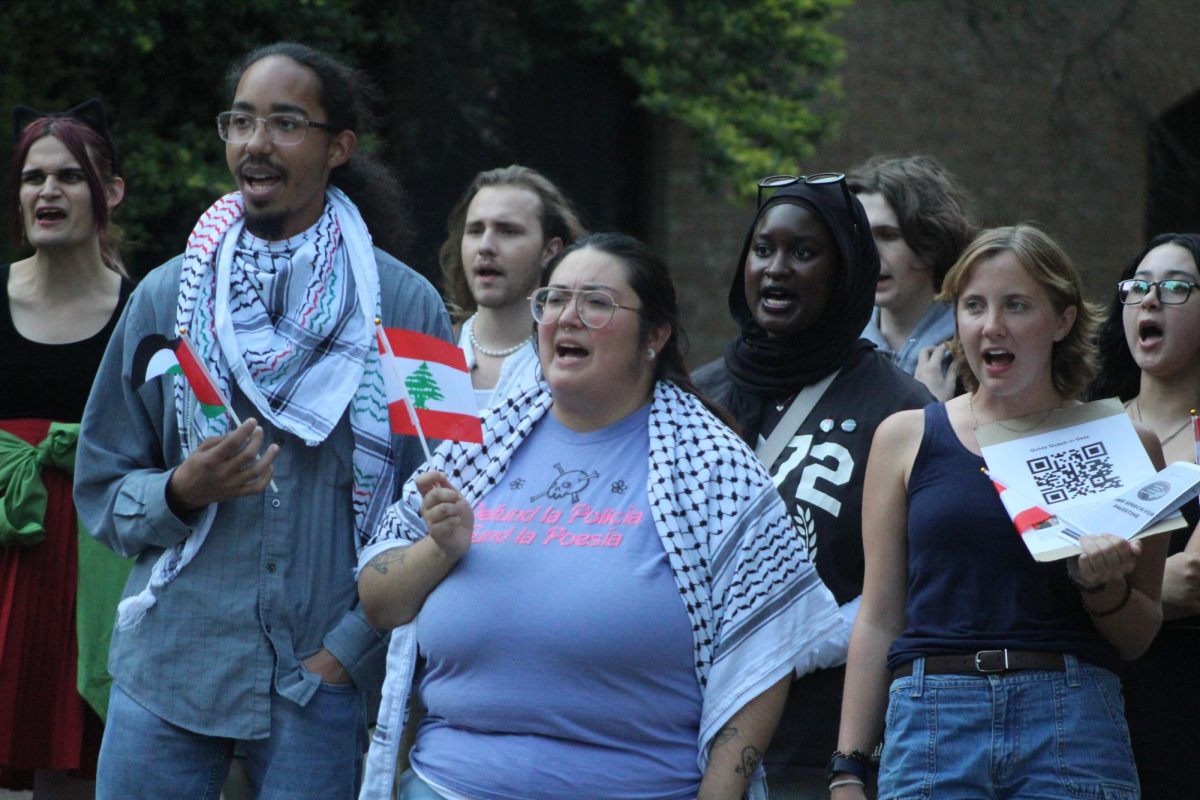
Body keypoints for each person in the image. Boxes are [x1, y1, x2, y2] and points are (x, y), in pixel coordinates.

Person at [73, 43, 451, 799]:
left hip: (324, 681)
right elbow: (101, 485)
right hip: (171, 666)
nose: (255, 143)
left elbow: (442, 505)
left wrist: (349, 651)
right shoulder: (167, 299)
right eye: (240, 121)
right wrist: (179, 490)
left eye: (284, 123)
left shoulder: (408, 310)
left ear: (338, 147)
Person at [356, 232, 846, 800]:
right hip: (447, 785)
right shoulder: (479, 446)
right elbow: (378, 601)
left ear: (654, 336)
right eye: (554, 299)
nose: (567, 317)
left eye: (596, 303)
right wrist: (437, 548)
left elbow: (763, 656)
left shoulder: (714, 467)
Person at [834, 225, 1168, 800]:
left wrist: (1101, 586)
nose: (992, 326)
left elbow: (1137, 635)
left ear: (1062, 321)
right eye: (974, 306)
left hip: (1072, 716)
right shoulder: (906, 436)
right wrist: (848, 767)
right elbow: (879, 615)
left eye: (1017, 305)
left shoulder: (1126, 443)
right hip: (932, 716)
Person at [693, 174, 932, 797]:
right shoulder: (694, 396)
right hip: (684, 740)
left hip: (819, 756)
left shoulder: (900, 408)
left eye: (804, 253)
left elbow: (913, 586)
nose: (777, 269)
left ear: (847, 269)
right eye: (763, 249)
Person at [0, 101, 131, 798]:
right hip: (3, 544)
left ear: (109, 192)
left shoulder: (143, 311)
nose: (47, 192)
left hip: (97, 563)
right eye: (31, 178)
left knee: (77, 773)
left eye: (69, 178)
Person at [1091, 233, 1200, 798]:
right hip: (1078, 704)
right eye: (1138, 286)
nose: (1151, 300)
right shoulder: (1083, 422)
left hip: (1177, 705)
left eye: (1177, 287)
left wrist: (1078, 588)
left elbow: (1190, 580)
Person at [440, 164, 586, 407]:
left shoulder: (573, 362)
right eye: (475, 230)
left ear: (550, 251)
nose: (485, 246)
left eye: (508, 231)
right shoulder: (431, 352)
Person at [848, 155, 977, 401]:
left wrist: (937, 419)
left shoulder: (982, 348)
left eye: (888, 235)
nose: (868, 255)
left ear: (931, 244)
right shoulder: (834, 349)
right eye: (859, 236)